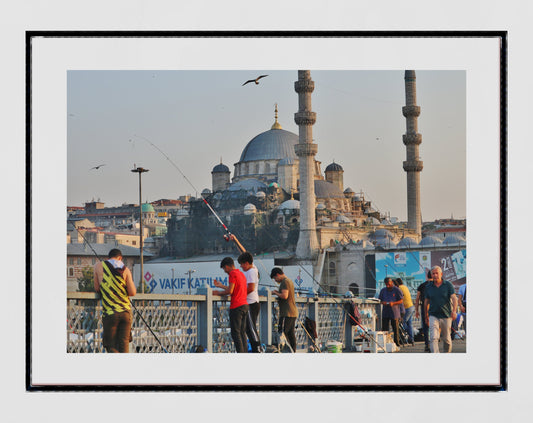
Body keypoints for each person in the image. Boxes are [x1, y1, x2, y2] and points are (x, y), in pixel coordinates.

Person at [93, 248, 136, 353]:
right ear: (120, 258)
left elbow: (97, 288)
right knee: (124, 345)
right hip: (126, 312)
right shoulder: (125, 270)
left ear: (108, 257)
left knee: (111, 346)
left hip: (110, 313)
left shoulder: (98, 266)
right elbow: (132, 292)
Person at [229, 234, 261, 353]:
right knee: (247, 329)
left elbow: (251, 288)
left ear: (247, 263)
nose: (241, 267)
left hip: (251, 303)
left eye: (242, 264)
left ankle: (258, 349)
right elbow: (244, 252)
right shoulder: (252, 267)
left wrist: (240, 294)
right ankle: (254, 349)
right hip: (249, 303)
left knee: (251, 329)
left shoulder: (252, 272)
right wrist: (236, 240)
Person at [213, 257, 249, 353]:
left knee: (235, 333)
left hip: (236, 306)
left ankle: (240, 354)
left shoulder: (232, 274)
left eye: (224, 269)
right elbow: (234, 288)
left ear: (227, 266)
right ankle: (245, 354)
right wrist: (221, 286)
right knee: (242, 333)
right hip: (245, 305)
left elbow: (230, 291)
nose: (225, 271)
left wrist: (217, 292)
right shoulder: (241, 274)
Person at [424, 265, 458, 353]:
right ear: (431, 275)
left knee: (446, 339)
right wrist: (426, 316)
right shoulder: (428, 287)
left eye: (437, 273)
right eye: (433, 274)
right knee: (433, 337)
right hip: (433, 315)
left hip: (446, 315)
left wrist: (454, 311)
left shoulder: (448, 285)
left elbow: (454, 298)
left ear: (441, 274)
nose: (435, 275)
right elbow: (426, 302)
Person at [270, 267, 298, 352]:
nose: (275, 280)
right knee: (290, 333)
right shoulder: (289, 281)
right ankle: (293, 351)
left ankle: (287, 350)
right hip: (292, 312)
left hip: (287, 312)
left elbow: (284, 296)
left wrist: (275, 292)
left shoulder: (285, 282)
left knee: (283, 333)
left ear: (278, 275)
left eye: (275, 278)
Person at [378, 277, 404, 347]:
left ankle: (397, 343)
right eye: (386, 284)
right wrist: (383, 302)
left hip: (394, 312)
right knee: (385, 329)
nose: (387, 286)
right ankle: (385, 343)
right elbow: (379, 300)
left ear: (391, 282)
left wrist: (393, 303)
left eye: (389, 284)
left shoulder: (397, 290)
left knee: (395, 328)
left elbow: (401, 300)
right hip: (385, 311)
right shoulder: (383, 290)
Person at [415, 270, 432, 352]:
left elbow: (417, 298)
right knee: (435, 325)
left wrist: (416, 310)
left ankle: (427, 344)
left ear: (427, 276)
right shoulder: (436, 285)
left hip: (423, 307)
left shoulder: (422, 286)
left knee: (425, 326)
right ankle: (433, 343)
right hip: (434, 306)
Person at [396, 278, 415, 345]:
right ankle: (411, 339)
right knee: (410, 324)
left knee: (402, 323)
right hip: (411, 306)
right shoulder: (405, 287)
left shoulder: (399, 288)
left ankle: (406, 336)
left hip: (406, 308)